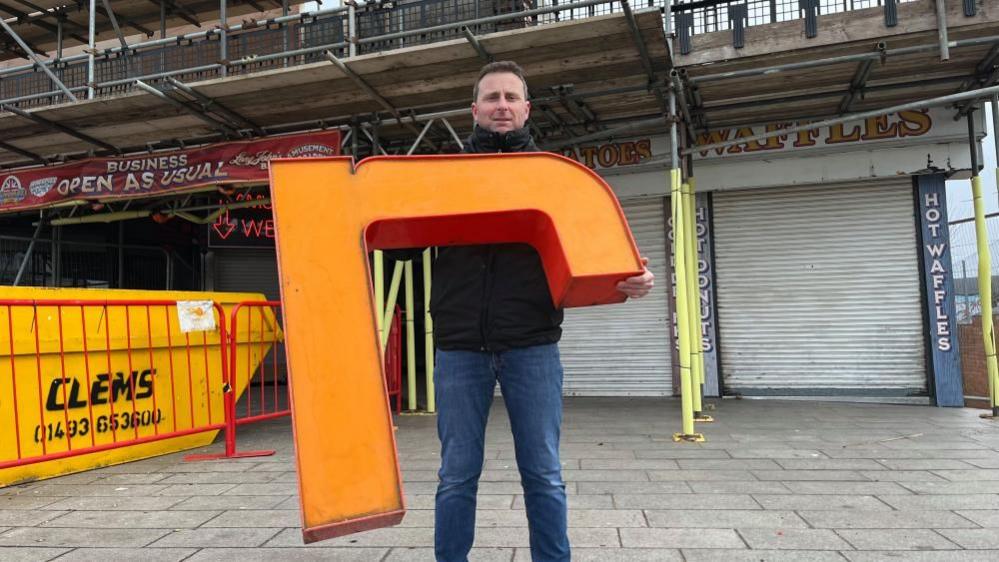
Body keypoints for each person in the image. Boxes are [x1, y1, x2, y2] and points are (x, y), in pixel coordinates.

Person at [425, 61, 655, 562]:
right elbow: (396, 244)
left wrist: (629, 276)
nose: (501, 106)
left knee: (544, 474)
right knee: (456, 475)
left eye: (511, 97)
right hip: (459, 348)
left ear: (526, 109)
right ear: (475, 109)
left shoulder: (556, 176)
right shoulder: (443, 175)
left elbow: (595, 247)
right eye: (492, 97)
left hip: (532, 345)